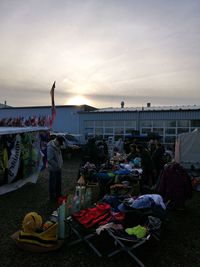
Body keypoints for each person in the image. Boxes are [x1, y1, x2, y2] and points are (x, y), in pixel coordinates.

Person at [47, 135, 64, 201]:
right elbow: (50, 159)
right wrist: (57, 166)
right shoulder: (50, 147)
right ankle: (52, 197)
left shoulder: (57, 145)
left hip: (58, 168)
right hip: (53, 169)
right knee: (53, 183)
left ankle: (58, 194)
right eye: (59, 143)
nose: (60, 145)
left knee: (58, 182)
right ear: (56, 140)